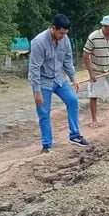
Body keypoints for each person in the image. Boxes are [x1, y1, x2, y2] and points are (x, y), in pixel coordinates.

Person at [28, 14, 90, 154]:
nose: (63, 36)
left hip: (58, 78)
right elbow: (34, 68)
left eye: (65, 33)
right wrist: (37, 91)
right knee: (44, 112)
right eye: (61, 33)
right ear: (53, 28)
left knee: (73, 100)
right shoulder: (39, 42)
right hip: (43, 82)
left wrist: (73, 78)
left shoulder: (65, 40)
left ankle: (75, 135)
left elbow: (67, 60)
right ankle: (47, 144)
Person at [83, 15, 109, 128]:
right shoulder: (93, 37)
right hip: (96, 69)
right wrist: (91, 73)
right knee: (94, 95)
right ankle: (94, 120)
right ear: (105, 26)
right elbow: (86, 56)